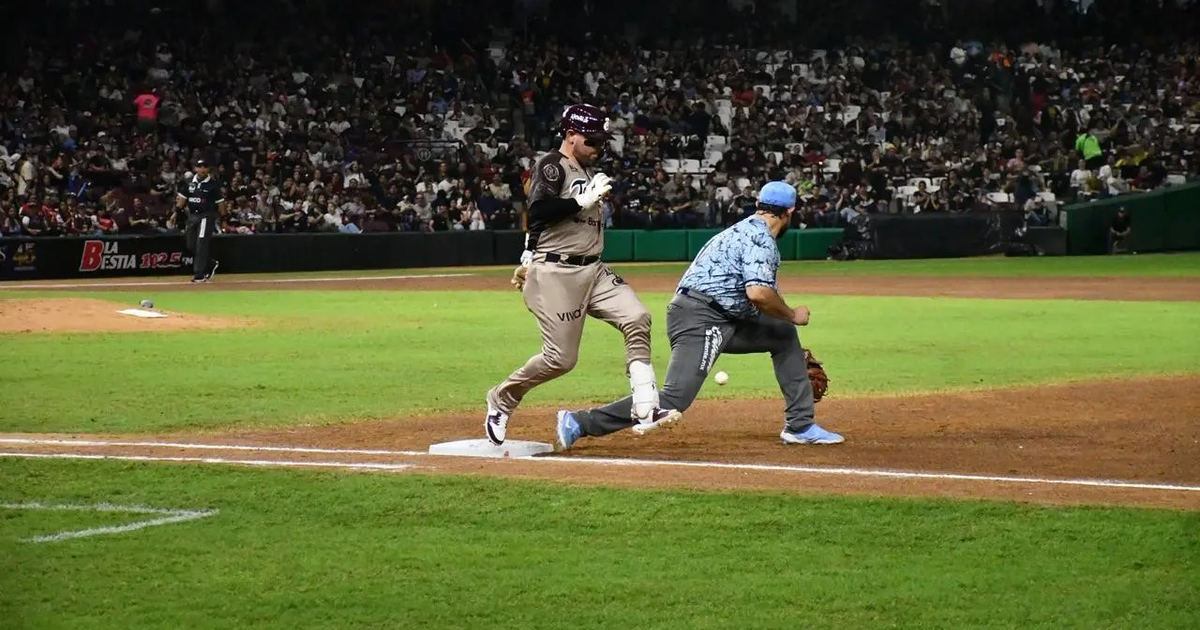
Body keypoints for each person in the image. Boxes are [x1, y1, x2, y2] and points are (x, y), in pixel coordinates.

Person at [555, 181, 844, 450]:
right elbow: (758, 294)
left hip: (722, 315)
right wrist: (793, 314)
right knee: (673, 399)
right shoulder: (761, 241)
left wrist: (786, 325)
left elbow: (753, 298)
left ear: (759, 204)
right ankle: (579, 422)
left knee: (782, 334)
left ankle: (800, 425)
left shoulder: (742, 229)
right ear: (790, 212)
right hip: (700, 318)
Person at [484, 104, 680, 445]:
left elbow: (545, 224)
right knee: (560, 359)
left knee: (637, 316)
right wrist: (581, 202)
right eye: (591, 140)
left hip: (594, 270)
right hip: (558, 272)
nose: (597, 148)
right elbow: (539, 210)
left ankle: (646, 406)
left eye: (601, 142)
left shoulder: (584, 172)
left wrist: (527, 252)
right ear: (570, 135)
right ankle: (501, 399)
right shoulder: (552, 165)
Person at [176, 157, 223, 282]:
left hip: (206, 215)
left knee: (201, 243)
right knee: (191, 244)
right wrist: (175, 213)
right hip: (192, 216)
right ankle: (210, 263)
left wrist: (222, 218)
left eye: (205, 167)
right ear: (195, 168)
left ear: (208, 169)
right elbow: (181, 200)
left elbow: (221, 204)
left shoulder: (213, 185)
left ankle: (199, 274)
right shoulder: (189, 182)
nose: (202, 169)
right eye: (200, 166)